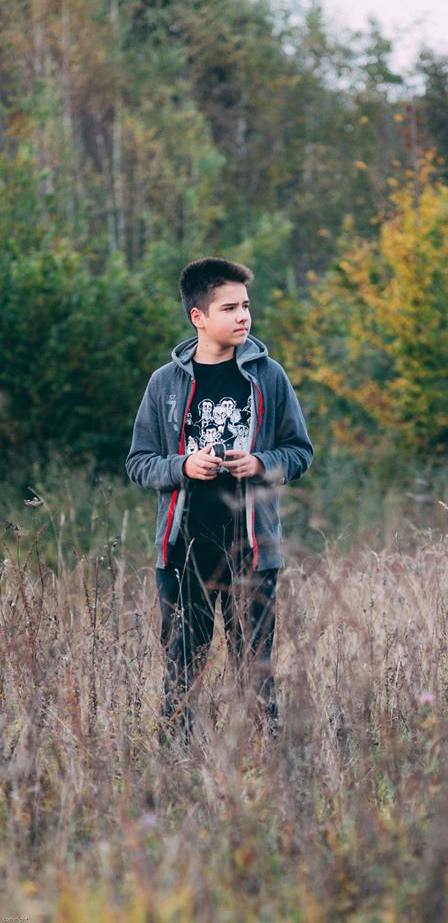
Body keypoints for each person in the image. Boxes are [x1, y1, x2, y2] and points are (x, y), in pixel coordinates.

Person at [126, 257, 313, 741]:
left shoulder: (269, 376)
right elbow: (139, 462)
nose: (243, 316)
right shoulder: (164, 383)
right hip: (183, 550)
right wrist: (182, 467)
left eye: (246, 306)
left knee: (256, 673)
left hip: (252, 550)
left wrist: (261, 464)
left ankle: (266, 761)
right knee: (181, 673)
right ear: (199, 316)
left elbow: (300, 452)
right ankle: (176, 762)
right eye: (229, 308)